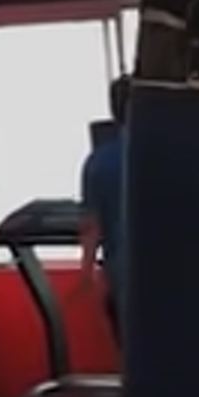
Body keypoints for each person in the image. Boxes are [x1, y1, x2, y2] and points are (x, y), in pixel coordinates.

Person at [79, 74, 130, 348]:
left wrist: (86, 272)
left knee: (130, 351)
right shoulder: (164, 155)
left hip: (121, 276)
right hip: (167, 275)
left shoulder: (97, 162)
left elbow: (92, 225)